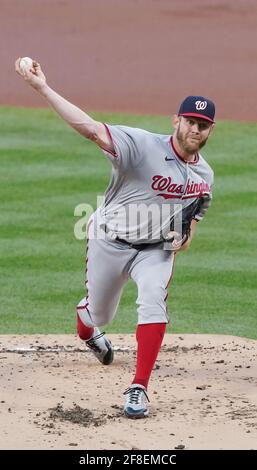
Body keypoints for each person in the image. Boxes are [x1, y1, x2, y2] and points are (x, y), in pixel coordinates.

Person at [15, 58, 215, 419]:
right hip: (109, 240)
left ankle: (138, 388)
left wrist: (181, 239)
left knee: (153, 298)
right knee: (98, 312)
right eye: (190, 122)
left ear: (210, 130)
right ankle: (89, 327)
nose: (195, 130)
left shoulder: (205, 176)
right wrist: (41, 87)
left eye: (203, 125)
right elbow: (91, 129)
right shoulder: (141, 144)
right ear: (177, 121)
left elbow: (191, 227)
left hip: (153, 251)